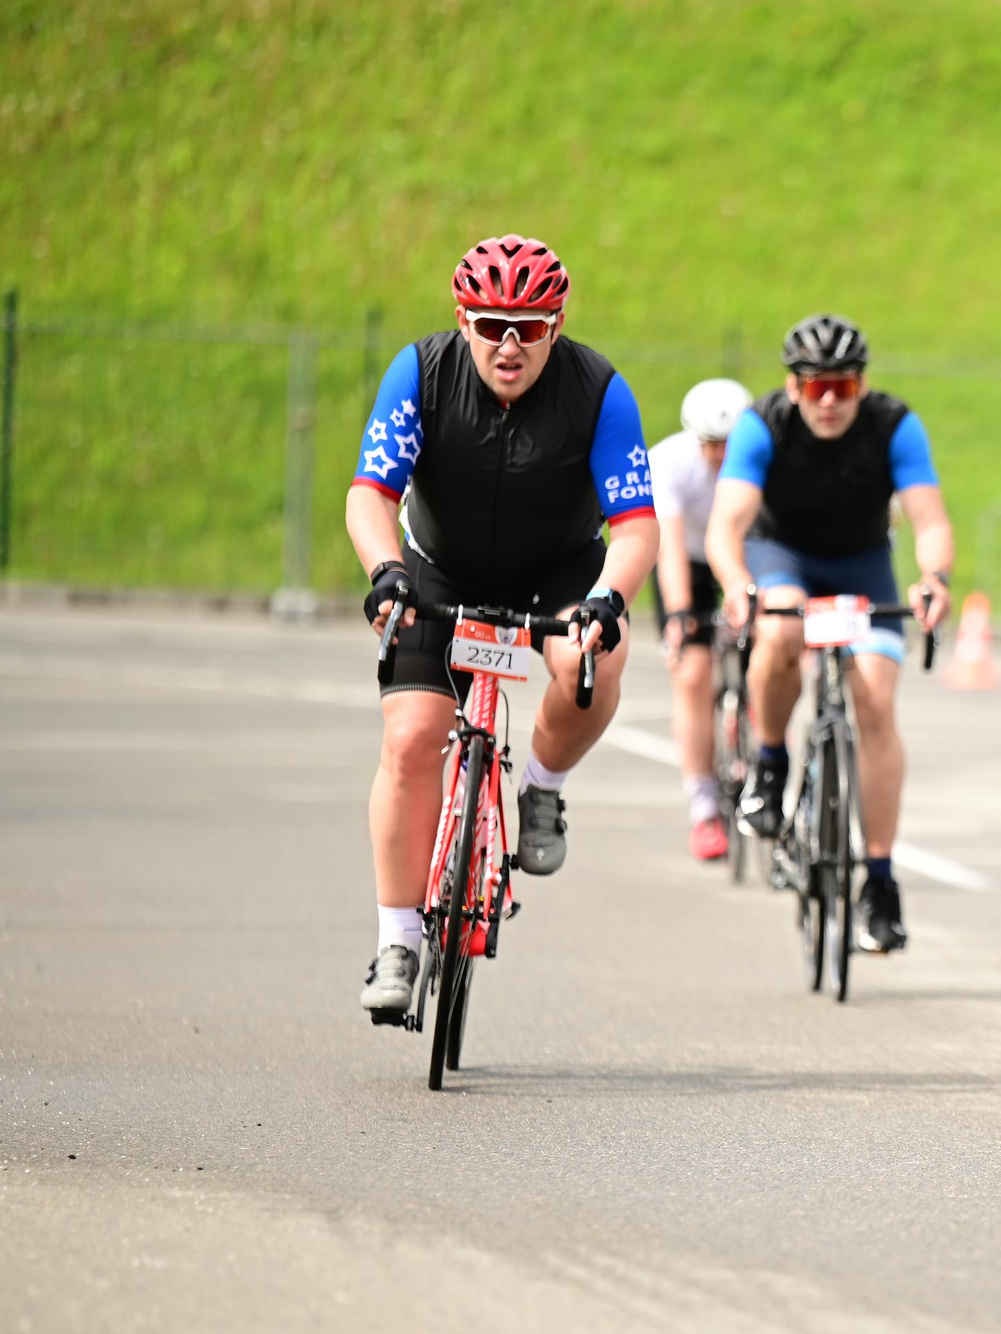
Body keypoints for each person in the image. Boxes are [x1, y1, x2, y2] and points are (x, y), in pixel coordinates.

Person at [348, 235, 653, 1020]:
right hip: (439, 570)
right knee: (412, 738)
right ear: (463, 321)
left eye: (528, 326)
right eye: (489, 325)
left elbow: (638, 528)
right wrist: (386, 572)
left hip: (557, 573)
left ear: (558, 324)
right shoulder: (420, 373)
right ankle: (397, 941)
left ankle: (543, 788)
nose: (508, 344)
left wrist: (606, 603)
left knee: (596, 669)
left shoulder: (598, 390)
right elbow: (370, 494)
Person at [706, 314, 953, 954]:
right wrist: (736, 584)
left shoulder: (895, 424)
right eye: (815, 388)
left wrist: (935, 578)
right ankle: (769, 762)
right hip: (780, 555)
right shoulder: (764, 424)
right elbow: (726, 525)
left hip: (862, 565)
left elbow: (928, 519)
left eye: (842, 388)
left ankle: (878, 882)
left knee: (874, 702)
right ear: (793, 388)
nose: (829, 402)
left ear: (861, 386)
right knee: (781, 627)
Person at [650, 377, 754, 862]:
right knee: (692, 673)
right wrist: (678, 616)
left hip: (743, 557)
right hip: (689, 562)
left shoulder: (761, 461)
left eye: (729, 447)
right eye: (712, 446)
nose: (719, 457)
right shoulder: (669, 462)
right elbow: (667, 547)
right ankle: (704, 806)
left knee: (769, 654)